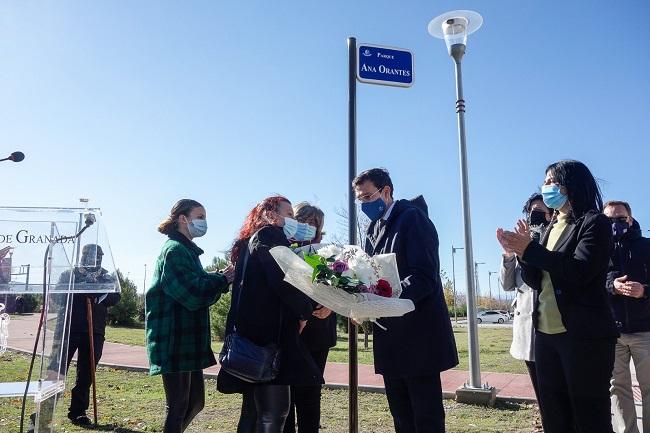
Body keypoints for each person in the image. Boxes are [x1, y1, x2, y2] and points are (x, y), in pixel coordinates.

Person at [497, 160, 618, 433]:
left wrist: (531, 250)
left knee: (590, 418)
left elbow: (579, 271)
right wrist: (523, 253)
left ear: (570, 185)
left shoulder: (595, 222)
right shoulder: (551, 226)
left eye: (551, 181)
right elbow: (535, 280)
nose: (546, 187)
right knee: (554, 416)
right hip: (545, 336)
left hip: (583, 337)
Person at [352, 168, 458, 433]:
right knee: (401, 417)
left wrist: (385, 298)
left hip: (418, 337)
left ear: (386, 191)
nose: (364, 204)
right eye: (360, 200)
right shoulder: (372, 230)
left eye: (367, 197)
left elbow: (425, 276)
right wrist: (361, 301)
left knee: (425, 417)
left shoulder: (413, 219)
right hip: (390, 338)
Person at [217, 195, 323, 433]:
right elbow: (283, 280)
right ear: (271, 214)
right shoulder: (269, 235)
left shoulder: (247, 241)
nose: (293, 220)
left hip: (250, 338)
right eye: (289, 215)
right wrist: (305, 312)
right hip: (269, 340)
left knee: (252, 412)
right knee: (274, 414)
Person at [146, 199, 234, 433]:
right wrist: (222, 280)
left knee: (195, 402)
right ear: (183, 219)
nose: (204, 222)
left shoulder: (186, 251)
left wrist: (219, 277)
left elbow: (197, 281)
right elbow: (192, 293)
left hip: (186, 342)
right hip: (173, 339)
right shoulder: (174, 250)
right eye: (200, 216)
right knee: (178, 405)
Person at [283, 202, 336, 433]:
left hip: (318, 333)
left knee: (310, 394)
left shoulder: (328, 253)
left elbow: (341, 287)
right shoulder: (282, 249)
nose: (309, 226)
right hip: (288, 332)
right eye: (304, 221)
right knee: (285, 396)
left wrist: (331, 305)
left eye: (314, 223)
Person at [500, 192, 551, 429]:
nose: (535, 216)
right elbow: (508, 285)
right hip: (527, 334)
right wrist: (510, 255)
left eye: (541, 211)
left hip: (552, 330)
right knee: (541, 391)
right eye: (531, 212)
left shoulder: (558, 237)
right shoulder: (521, 241)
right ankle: (545, 422)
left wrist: (532, 250)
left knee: (556, 392)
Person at [604, 200, 650, 433]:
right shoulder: (598, 249)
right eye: (609, 220)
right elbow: (587, 285)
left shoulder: (647, 246)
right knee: (618, 388)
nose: (615, 224)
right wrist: (611, 286)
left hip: (645, 331)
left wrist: (644, 291)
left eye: (620, 219)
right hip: (613, 332)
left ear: (630, 219)